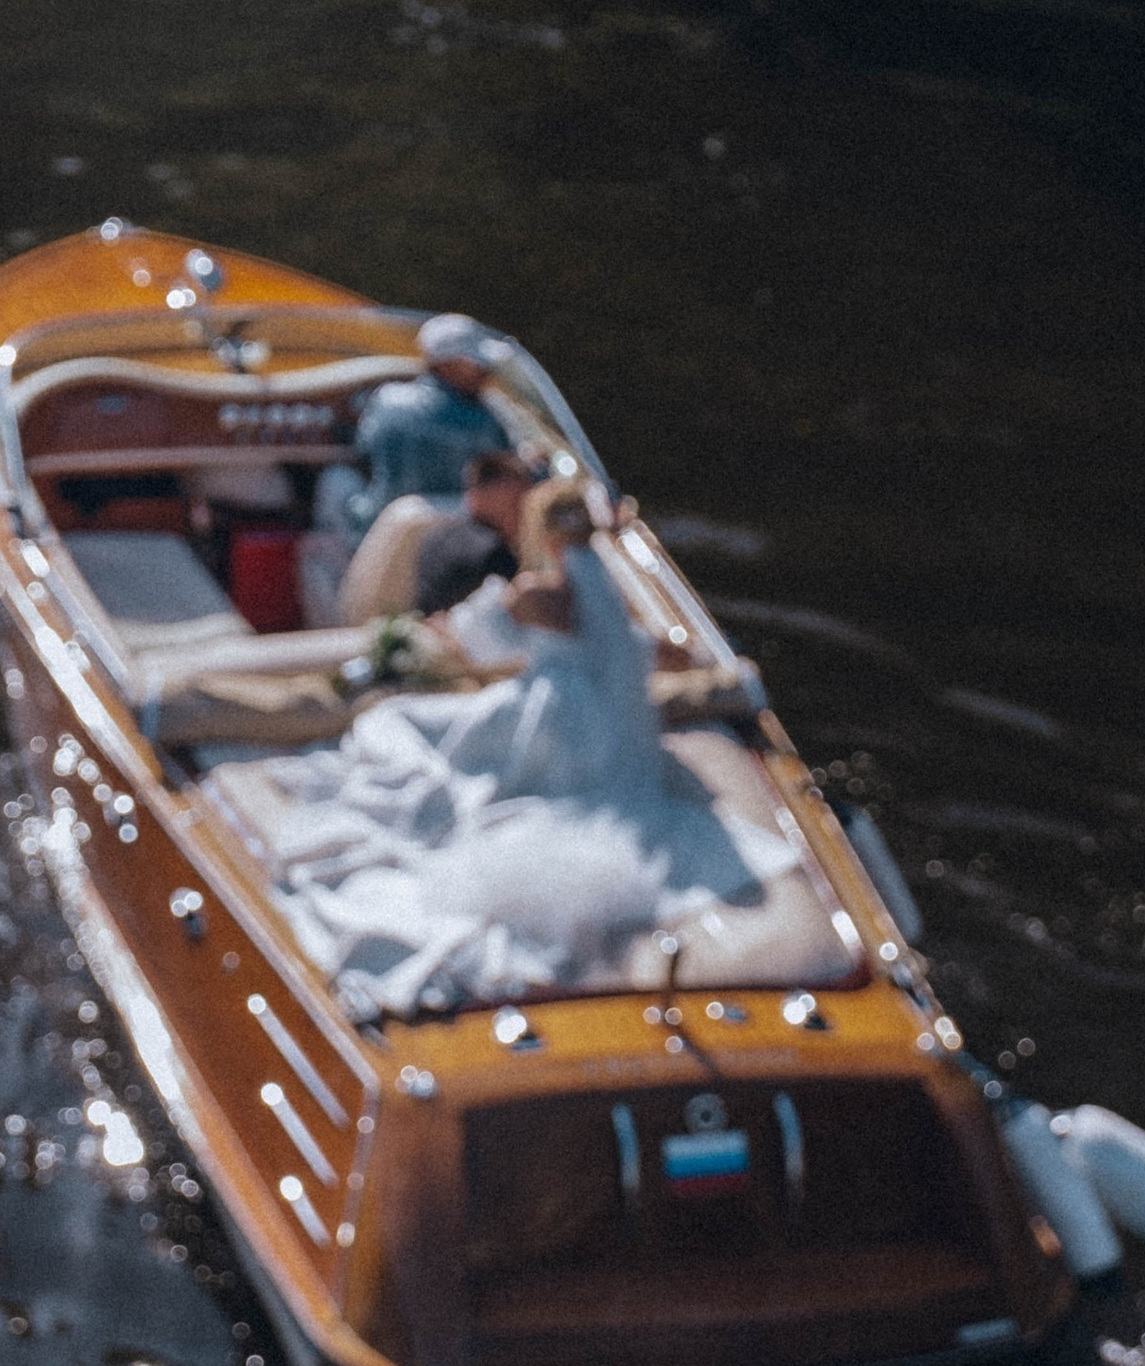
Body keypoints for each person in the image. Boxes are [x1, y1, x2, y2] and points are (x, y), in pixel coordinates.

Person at [249, 481, 794, 1013]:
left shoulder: (539, 593)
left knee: (396, 723)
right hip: (623, 729)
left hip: (557, 719)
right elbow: (647, 650)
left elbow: (482, 636)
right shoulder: (607, 592)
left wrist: (435, 637)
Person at [302, 312, 513, 617]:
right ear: (445, 364)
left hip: (379, 528)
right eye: (475, 362)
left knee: (335, 479)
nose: (485, 370)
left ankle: (333, 612)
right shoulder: (492, 418)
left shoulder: (388, 402)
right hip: (465, 525)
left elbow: (364, 448)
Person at [407, 447, 539, 619]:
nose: (524, 515)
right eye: (515, 504)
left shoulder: (435, 537)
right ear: (477, 498)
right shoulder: (495, 554)